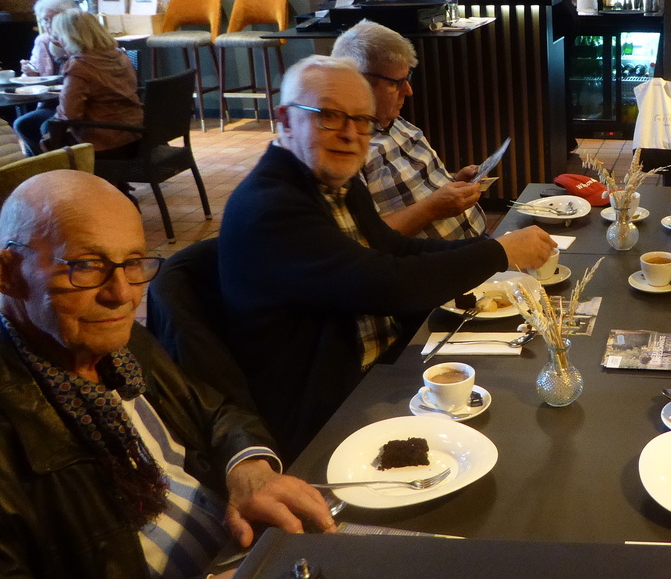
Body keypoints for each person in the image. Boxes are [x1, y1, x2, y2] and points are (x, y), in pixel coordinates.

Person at [0, 170, 334, 579]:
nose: (122, 294)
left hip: (251, 568)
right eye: (86, 266)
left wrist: (248, 466)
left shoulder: (115, 342)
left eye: (133, 263)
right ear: (9, 273)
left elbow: (214, 410)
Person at [218, 55, 555, 457]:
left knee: (530, 382)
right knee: (523, 436)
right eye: (329, 116)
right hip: (327, 413)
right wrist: (497, 253)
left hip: (388, 365)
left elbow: (397, 249)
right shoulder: (270, 207)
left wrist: (497, 250)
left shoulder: (336, 183)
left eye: (362, 120)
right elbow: (382, 284)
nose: (350, 134)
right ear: (286, 120)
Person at [332, 19, 486, 239]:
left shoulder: (397, 122)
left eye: (408, 78)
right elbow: (367, 238)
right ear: (361, 83)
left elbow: (416, 190)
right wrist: (432, 208)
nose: (409, 90)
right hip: (439, 259)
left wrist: (454, 181)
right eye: (396, 82)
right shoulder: (348, 150)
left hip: (477, 242)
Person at [12, 10, 143, 158]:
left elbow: (69, 114)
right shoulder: (120, 55)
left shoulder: (79, 65)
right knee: (28, 123)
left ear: (69, 37)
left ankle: (49, 168)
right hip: (134, 132)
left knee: (41, 127)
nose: (57, 42)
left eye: (58, 36)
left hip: (102, 140)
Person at [19, 0, 77, 76]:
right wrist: (30, 72)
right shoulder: (43, 40)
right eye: (45, 20)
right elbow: (38, 73)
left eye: (54, 19)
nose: (49, 24)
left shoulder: (80, 38)